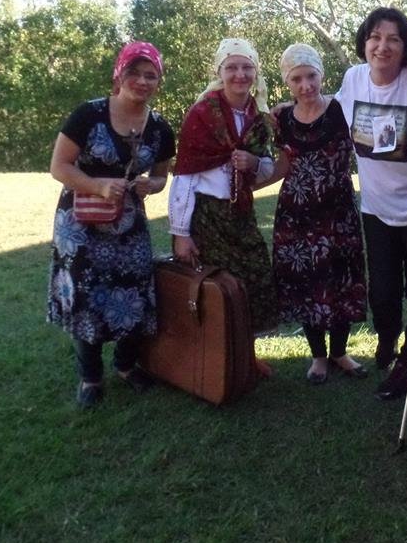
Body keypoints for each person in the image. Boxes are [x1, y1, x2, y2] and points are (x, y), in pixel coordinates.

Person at [48, 41, 175, 408]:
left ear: (158, 82)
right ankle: (90, 377)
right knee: (86, 295)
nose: (142, 81)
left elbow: (161, 176)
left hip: (129, 225)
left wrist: (151, 185)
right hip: (81, 223)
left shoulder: (160, 128)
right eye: (134, 72)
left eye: (150, 75)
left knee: (135, 293)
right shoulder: (88, 115)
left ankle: (125, 365)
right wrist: (99, 186)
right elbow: (59, 166)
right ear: (119, 74)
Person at [335, 7, 407, 400]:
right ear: (364, 42)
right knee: (382, 292)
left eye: (393, 38)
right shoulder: (354, 78)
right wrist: (291, 108)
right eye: (375, 37)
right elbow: (332, 110)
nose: (383, 46)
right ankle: (388, 336)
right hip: (376, 211)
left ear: (405, 46)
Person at [167, 38, 278, 376]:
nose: (239, 74)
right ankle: (215, 361)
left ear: (256, 72)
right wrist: (181, 233)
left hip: (241, 212)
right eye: (232, 67)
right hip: (207, 216)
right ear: (219, 72)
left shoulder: (259, 118)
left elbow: (267, 168)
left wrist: (253, 162)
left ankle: (246, 356)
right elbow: (185, 176)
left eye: (246, 67)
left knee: (252, 280)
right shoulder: (202, 114)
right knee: (215, 288)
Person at [273, 43, 368, 384]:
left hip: (338, 212)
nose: (305, 85)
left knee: (341, 280)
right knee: (306, 282)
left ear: (321, 74)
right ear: (287, 82)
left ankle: (339, 352)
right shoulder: (281, 118)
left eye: (311, 76)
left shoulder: (343, 110)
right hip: (295, 214)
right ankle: (318, 357)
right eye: (296, 79)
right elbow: (281, 165)